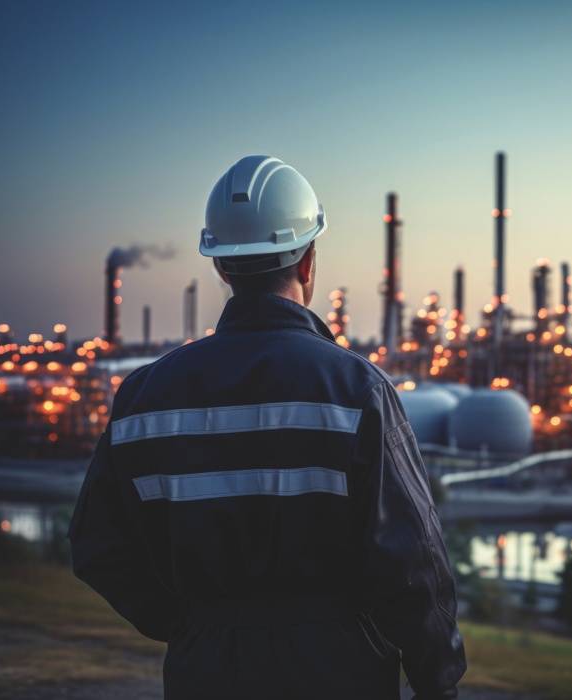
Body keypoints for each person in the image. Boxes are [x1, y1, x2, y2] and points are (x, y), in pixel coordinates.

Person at [68, 155, 467, 699]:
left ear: (221, 268)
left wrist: (191, 623)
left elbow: (96, 545)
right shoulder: (356, 390)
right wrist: (437, 681)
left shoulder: (143, 396)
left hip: (203, 668)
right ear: (308, 264)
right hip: (335, 667)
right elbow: (412, 561)